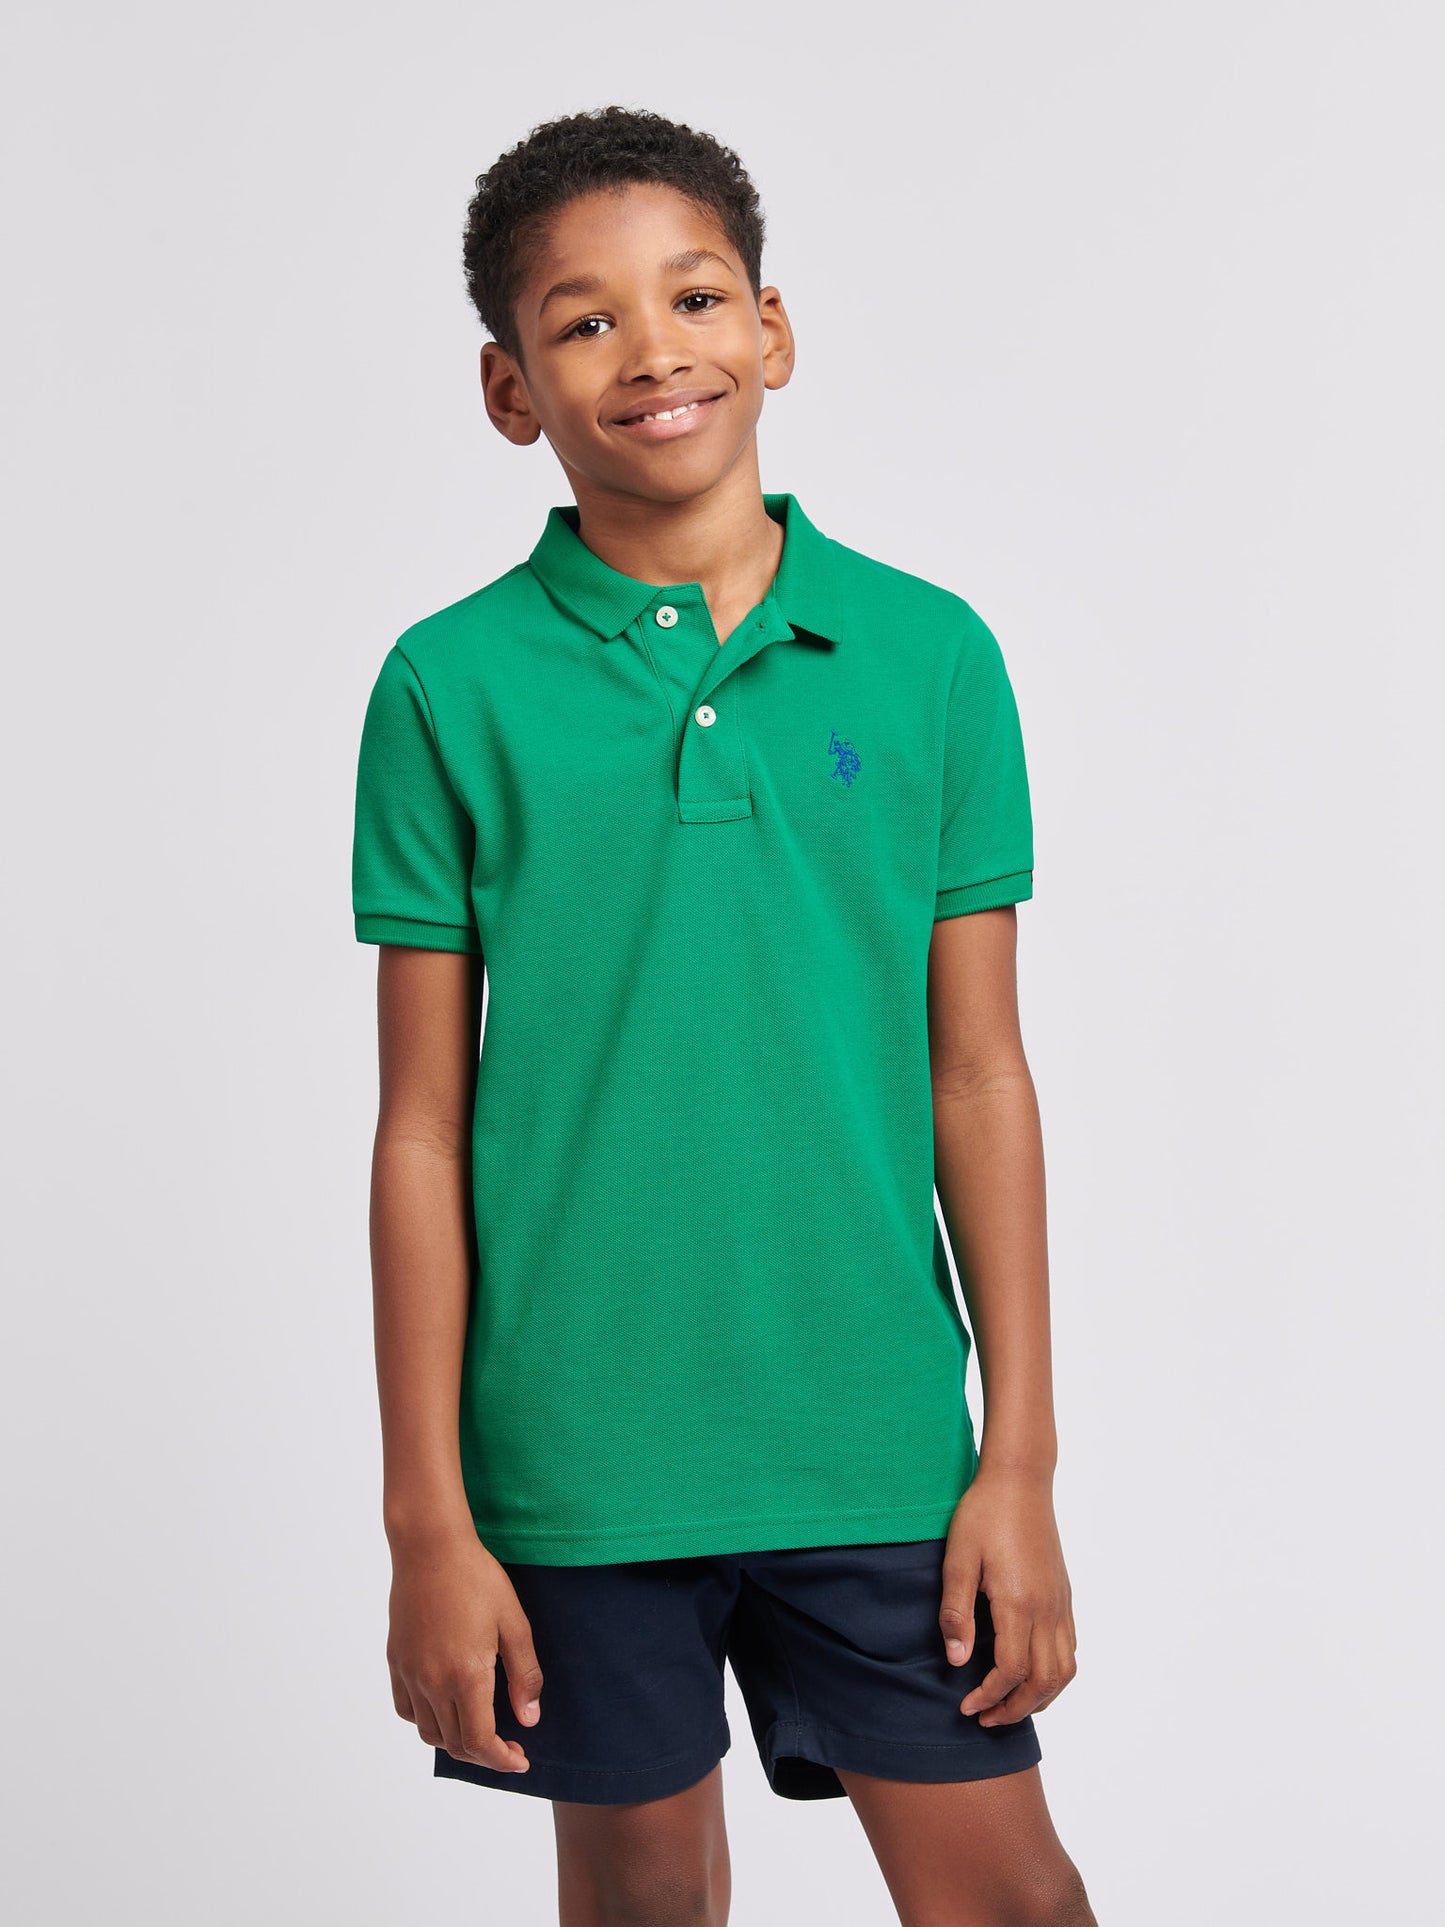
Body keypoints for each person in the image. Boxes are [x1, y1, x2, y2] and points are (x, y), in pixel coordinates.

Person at [351, 103, 1096, 1927]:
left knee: (1005, 1896)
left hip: (871, 1441)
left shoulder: (928, 656)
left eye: (692, 298)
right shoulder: (448, 685)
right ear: (509, 388)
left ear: (771, 330)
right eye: (582, 319)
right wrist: (427, 1522)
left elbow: (977, 1074)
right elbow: (421, 1129)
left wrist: (1017, 1460)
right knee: (642, 1897)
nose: (650, 350)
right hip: (575, 1461)